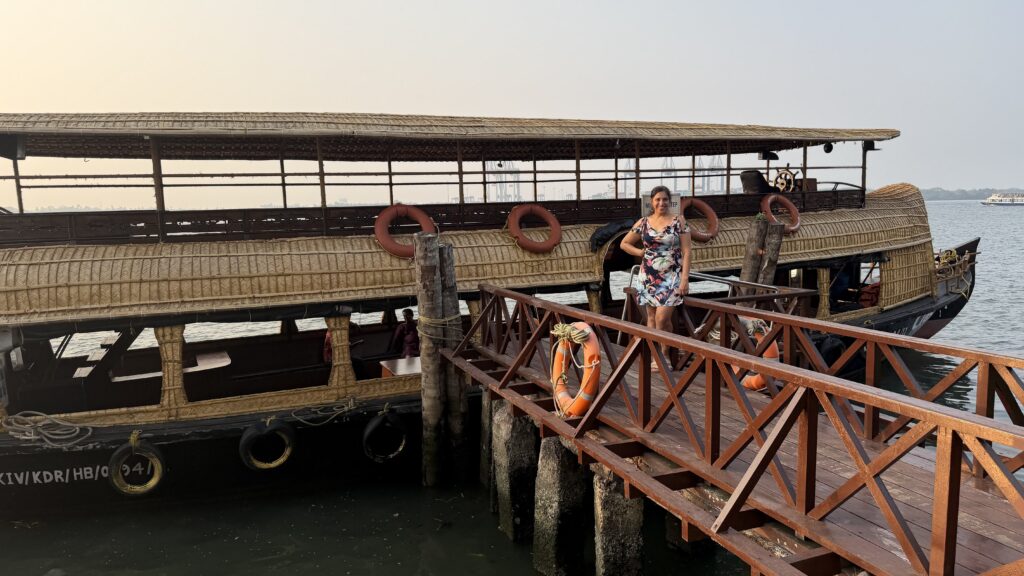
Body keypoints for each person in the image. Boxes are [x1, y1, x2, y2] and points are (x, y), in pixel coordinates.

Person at [619, 185, 692, 340]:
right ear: (652, 202)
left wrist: (685, 279)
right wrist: (639, 252)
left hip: (672, 276)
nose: (661, 203)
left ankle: (664, 356)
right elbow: (624, 243)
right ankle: (655, 356)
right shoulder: (643, 222)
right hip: (648, 277)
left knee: (662, 319)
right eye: (657, 199)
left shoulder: (679, 221)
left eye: (665, 199)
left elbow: (687, 252)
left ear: (670, 201)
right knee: (651, 319)